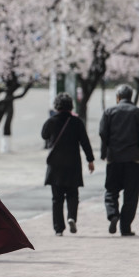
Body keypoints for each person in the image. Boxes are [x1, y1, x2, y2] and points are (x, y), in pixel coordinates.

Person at [99, 84, 139, 236]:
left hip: (113, 158)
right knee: (131, 194)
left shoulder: (109, 112)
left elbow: (103, 133)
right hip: (133, 158)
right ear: (131, 96)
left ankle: (113, 214)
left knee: (110, 191)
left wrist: (104, 153)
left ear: (118, 97)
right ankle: (125, 227)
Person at [41, 93, 95, 236]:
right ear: (71, 105)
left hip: (55, 165)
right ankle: (71, 217)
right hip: (73, 164)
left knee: (57, 198)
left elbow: (44, 135)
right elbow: (85, 142)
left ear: (57, 105)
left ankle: (59, 229)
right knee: (72, 194)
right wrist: (90, 160)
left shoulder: (51, 121)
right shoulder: (77, 122)